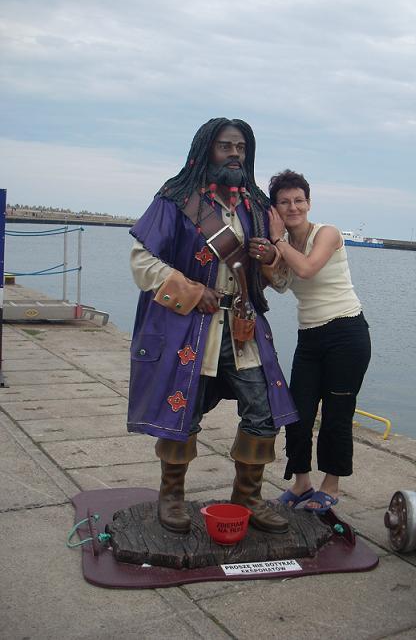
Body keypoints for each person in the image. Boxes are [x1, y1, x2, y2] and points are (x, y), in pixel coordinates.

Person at [127, 118, 298, 535]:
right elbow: (141, 261)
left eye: (241, 147)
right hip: (190, 328)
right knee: (183, 410)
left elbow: (280, 281)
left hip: (243, 326)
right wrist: (190, 290)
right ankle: (171, 496)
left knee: (263, 410)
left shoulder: (258, 207)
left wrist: (270, 258)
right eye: (226, 146)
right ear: (207, 150)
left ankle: (248, 498)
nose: (234, 154)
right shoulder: (175, 199)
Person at [249, 169, 371, 513]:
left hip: (346, 333)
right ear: (275, 208)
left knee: (337, 413)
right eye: (284, 202)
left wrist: (277, 241)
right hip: (310, 337)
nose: (293, 207)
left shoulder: (327, 234)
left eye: (298, 200)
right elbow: (280, 283)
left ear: (308, 203)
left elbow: (306, 269)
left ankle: (330, 487)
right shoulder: (284, 246)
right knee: (297, 412)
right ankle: (301, 483)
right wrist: (265, 258)